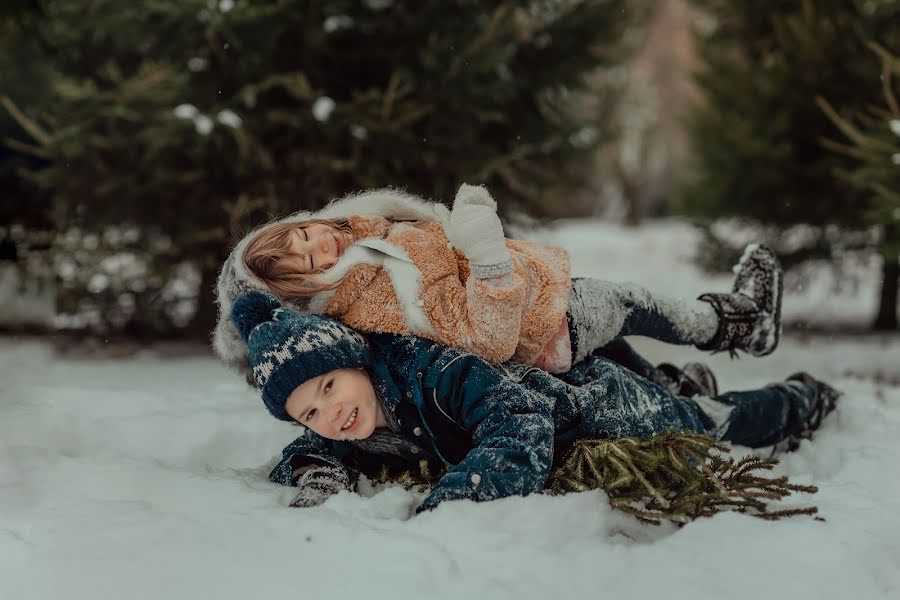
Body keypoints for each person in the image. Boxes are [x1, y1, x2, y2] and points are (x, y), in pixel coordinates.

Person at [230, 291, 839, 513]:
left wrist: (457, 498)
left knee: (705, 429)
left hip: (597, 408)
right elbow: (306, 453)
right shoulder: (351, 424)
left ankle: (800, 400)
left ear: (355, 359)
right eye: (309, 410)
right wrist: (315, 475)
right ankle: (684, 381)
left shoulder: (435, 372)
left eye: (330, 388)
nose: (330, 414)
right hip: (578, 421)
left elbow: (517, 422)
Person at [213, 183, 782, 386]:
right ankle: (738, 323)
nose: (320, 246)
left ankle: (675, 389)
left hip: (541, 304)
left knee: (616, 349)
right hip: (541, 322)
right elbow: (479, 336)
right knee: (630, 302)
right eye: (306, 261)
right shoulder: (376, 293)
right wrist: (486, 260)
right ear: (303, 291)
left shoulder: (369, 236)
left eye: (304, 234)